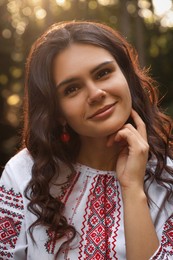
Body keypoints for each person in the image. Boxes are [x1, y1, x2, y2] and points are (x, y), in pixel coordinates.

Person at [0, 20, 173, 260]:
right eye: (71, 89)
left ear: (126, 76)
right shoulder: (23, 176)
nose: (95, 94)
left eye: (103, 73)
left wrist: (133, 189)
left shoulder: (168, 179)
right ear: (57, 111)